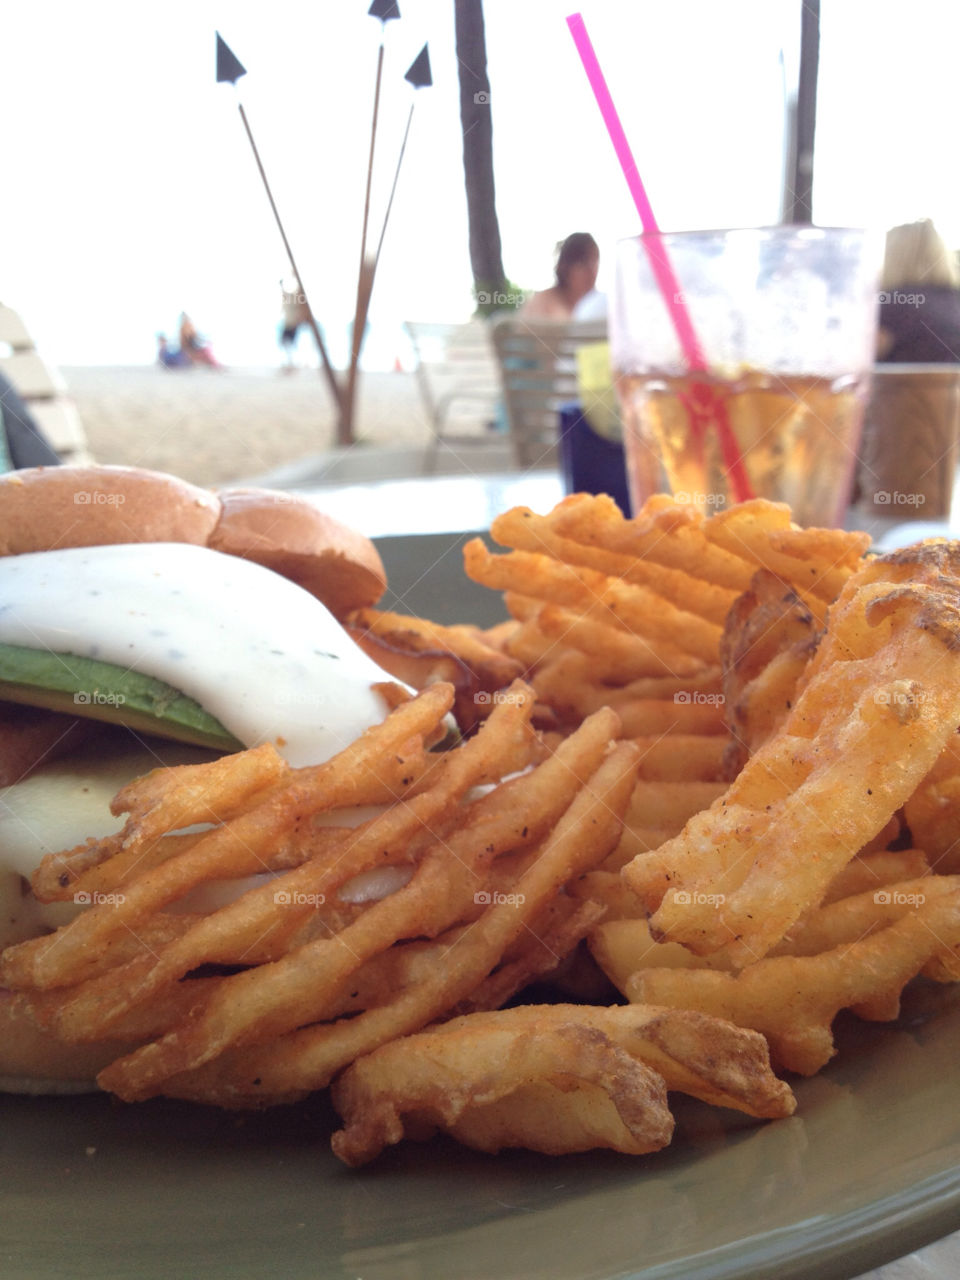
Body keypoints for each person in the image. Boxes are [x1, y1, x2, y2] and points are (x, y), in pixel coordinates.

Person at [877, 220, 960, 363]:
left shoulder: (894, 302)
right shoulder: (954, 299)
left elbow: (858, 359)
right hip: (952, 384)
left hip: (904, 385)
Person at [519, 232, 600, 320]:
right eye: (583, 262)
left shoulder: (599, 304)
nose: (591, 270)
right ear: (566, 266)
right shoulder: (543, 301)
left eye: (595, 261)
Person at [278, 278, 311, 370]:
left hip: (292, 324)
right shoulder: (288, 298)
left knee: (289, 344)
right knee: (285, 343)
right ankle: (290, 363)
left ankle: (293, 364)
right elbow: (284, 293)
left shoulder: (294, 299)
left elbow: (298, 294)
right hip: (288, 323)